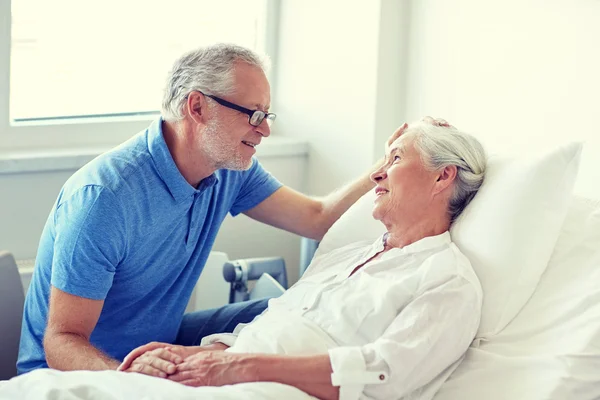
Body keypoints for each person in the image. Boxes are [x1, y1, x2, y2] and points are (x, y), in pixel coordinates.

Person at [17, 43, 419, 375]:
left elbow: (317, 219)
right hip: (81, 370)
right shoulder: (103, 199)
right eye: (253, 114)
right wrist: (132, 376)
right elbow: (61, 343)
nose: (265, 129)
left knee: (296, 310)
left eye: (268, 115)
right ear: (197, 107)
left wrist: (389, 164)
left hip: (162, 342)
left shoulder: (230, 170)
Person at [111, 121, 488, 400]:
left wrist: (235, 368)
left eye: (395, 159)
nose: (377, 173)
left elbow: (385, 373)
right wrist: (185, 357)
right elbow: (268, 330)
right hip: (229, 375)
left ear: (443, 177)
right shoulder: (344, 257)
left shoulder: (446, 279)